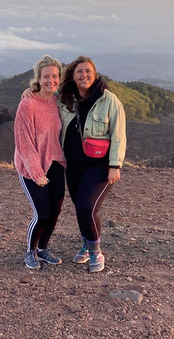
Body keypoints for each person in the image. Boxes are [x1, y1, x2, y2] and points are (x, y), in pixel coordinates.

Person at [24, 55, 127, 272]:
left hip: (99, 166)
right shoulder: (64, 96)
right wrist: (29, 91)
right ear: (72, 75)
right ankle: (85, 244)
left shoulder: (109, 100)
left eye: (88, 71)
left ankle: (95, 252)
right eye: (79, 71)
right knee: (80, 207)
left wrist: (115, 165)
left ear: (95, 72)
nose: (84, 75)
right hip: (72, 167)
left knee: (86, 207)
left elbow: (118, 135)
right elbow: (44, 91)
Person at [13, 54, 67, 270]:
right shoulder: (28, 105)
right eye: (46, 76)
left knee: (55, 211)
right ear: (38, 78)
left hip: (55, 164)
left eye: (55, 76)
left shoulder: (59, 101)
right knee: (42, 213)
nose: (51, 80)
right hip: (31, 167)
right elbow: (24, 143)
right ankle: (30, 251)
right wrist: (37, 173)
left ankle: (43, 249)